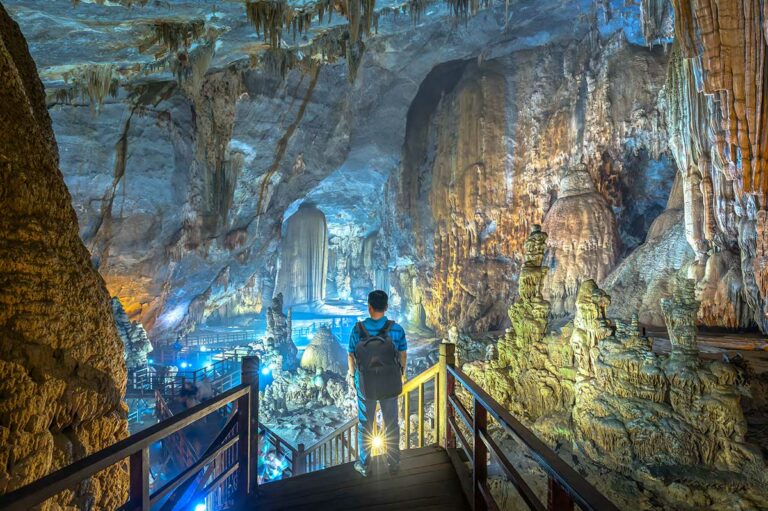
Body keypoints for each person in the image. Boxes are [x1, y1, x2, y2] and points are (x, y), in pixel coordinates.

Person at [347, 290, 407, 477]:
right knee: (391, 423)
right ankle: (394, 463)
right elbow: (403, 355)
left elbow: (351, 355)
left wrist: (352, 377)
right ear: (386, 307)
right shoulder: (396, 329)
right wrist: (401, 373)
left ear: (369, 307)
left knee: (365, 424)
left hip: (365, 385)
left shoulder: (357, 330)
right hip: (389, 383)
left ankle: (365, 465)